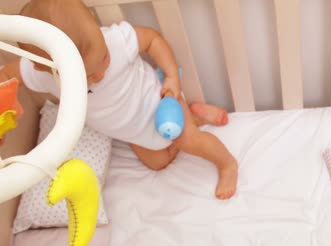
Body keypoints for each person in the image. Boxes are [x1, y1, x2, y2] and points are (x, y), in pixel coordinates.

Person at [0, 0, 238, 199]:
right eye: (88, 77)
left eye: (103, 59)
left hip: (159, 104)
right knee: (157, 162)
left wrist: (172, 77)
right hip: (132, 133)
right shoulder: (48, 75)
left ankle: (227, 163)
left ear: (96, 26)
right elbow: (8, 74)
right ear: (46, 69)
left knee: (190, 141)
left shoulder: (115, 42)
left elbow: (152, 40)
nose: (101, 74)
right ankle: (196, 116)